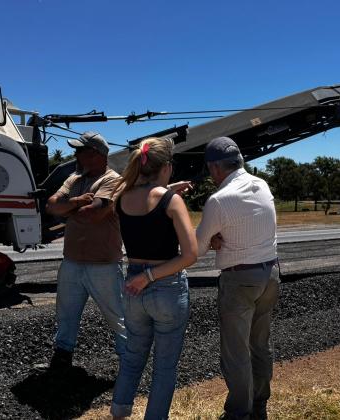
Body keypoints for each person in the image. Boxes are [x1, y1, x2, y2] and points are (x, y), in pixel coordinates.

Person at [109, 137, 197, 420]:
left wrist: (142, 277)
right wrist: (150, 276)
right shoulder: (173, 201)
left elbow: (144, 198)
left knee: (133, 358)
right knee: (164, 367)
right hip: (166, 288)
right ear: (167, 167)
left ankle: (119, 412)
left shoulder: (122, 198)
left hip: (133, 287)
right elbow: (190, 255)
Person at [195, 137, 279, 420]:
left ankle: (238, 413)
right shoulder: (262, 184)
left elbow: (196, 247)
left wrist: (212, 240)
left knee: (235, 352)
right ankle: (260, 404)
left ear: (216, 168)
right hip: (270, 274)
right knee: (259, 344)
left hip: (239, 278)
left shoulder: (219, 200)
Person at [45, 131, 126, 369]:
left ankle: (129, 361)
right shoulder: (75, 178)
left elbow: (95, 213)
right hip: (72, 261)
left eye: (80, 150)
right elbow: (51, 206)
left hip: (103, 263)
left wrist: (66, 208)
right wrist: (78, 202)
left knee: (117, 317)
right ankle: (62, 357)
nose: (76, 154)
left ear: (96, 154)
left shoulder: (113, 180)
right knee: (66, 314)